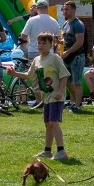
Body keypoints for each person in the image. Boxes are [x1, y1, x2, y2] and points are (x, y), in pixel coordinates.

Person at [8, 31, 70, 160]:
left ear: (50, 44)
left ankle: (61, 151)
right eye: (39, 42)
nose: (41, 45)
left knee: (54, 122)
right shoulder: (36, 60)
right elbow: (29, 76)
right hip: (46, 97)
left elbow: (64, 75)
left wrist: (59, 91)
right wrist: (14, 73)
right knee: (48, 124)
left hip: (56, 97)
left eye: (44, 43)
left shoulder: (55, 58)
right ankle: (47, 151)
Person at [60, 1, 86, 112]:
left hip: (77, 57)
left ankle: (78, 105)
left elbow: (80, 42)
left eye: (67, 9)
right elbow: (65, 40)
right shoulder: (65, 24)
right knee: (66, 81)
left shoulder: (78, 24)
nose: (65, 11)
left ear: (74, 10)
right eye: (64, 9)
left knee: (77, 82)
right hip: (67, 57)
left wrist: (68, 52)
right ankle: (74, 102)